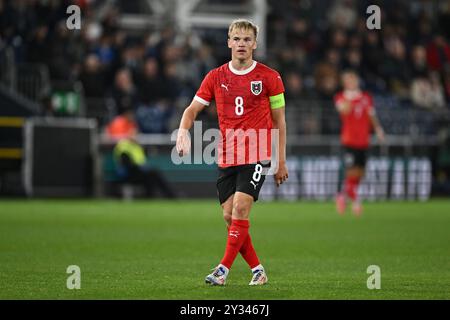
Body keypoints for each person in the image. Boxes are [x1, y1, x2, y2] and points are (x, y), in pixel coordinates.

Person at [176, 19, 288, 286]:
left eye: (247, 40)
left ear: (255, 44)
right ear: (229, 42)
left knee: (240, 208)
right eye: (236, 39)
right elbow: (191, 110)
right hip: (228, 154)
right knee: (230, 215)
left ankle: (222, 270)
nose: (241, 44)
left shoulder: (270, 77)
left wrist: (281, 160)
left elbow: (279, 121)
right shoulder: (215, 77)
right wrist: (182, 131)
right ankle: (258, 271)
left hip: (258, 151)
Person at [334, 70, 385, 216]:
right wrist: (350, 98)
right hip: (349, 140)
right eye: (348, 80)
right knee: (351, 173)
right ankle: (356, 202)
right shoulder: (340, 97)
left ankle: (342, 196)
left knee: (359, 174)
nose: (352, 82)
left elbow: (371, 115)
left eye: (353, 79)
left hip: (364, 140)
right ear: (345, 83)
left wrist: (378, 129)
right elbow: (344, 111)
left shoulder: (366, 97)